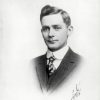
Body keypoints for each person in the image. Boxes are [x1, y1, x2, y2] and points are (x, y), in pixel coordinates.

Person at [32, 5, 82, 92]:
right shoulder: (31, 64)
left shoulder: (82, 64)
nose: (50, 34)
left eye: (57, 28)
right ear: (41, 32)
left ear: (69, 30)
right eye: (46, 29)